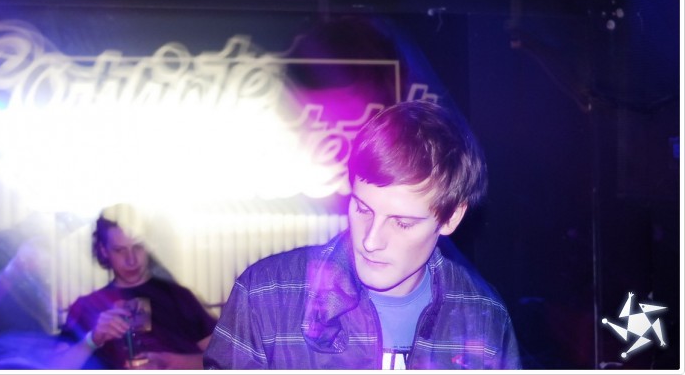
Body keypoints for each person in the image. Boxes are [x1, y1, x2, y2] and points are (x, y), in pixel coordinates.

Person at [204, 100, 521, 369]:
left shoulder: (484, 316)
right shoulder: (265, 296)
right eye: (362, 209)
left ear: (451, 218)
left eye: (402, 222)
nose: (370, 240)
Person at [50, 206, 217, 369]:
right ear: (104, 250)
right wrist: (93, 339)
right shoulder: (87, 306)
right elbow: (54, 368)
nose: (131, 260)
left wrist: (172, 363)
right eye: (119, 250)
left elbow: (224, 360)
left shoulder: (179, 298)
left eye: (138, 246)